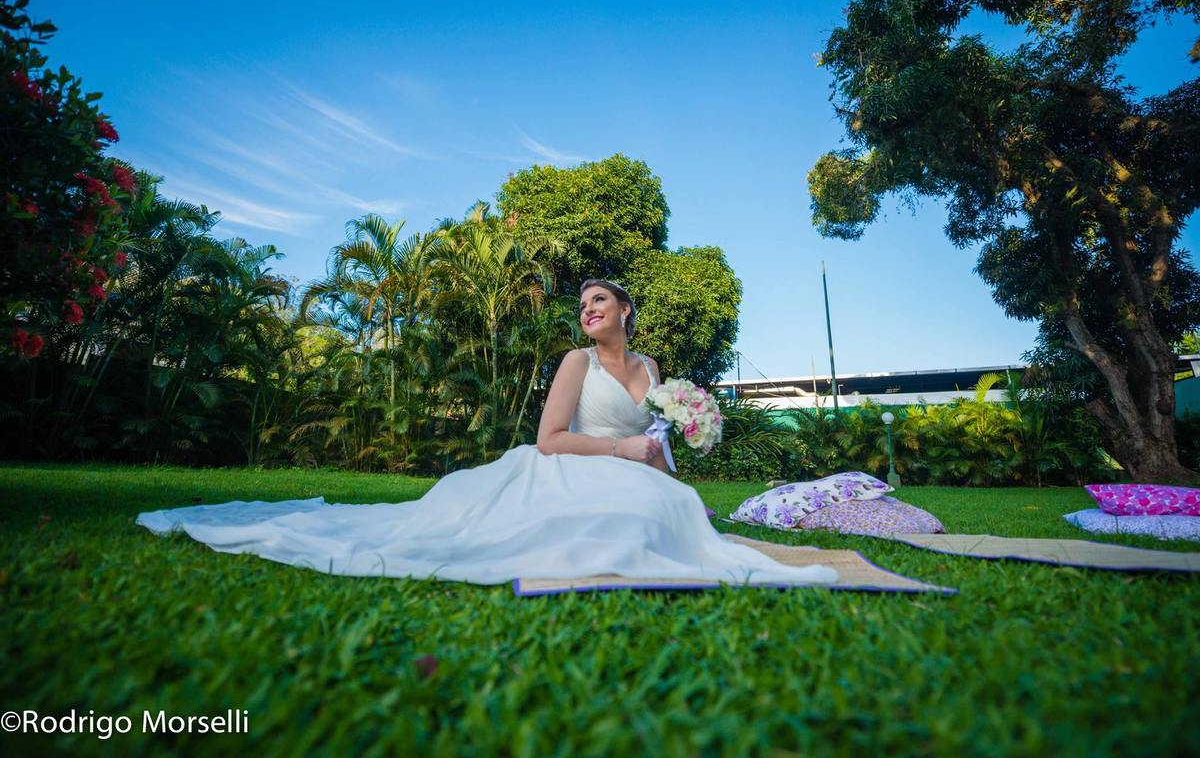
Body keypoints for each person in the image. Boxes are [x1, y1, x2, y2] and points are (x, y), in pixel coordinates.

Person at [136, 279, 838, 587]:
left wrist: (664, 447)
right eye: (583, 303)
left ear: (627, 309)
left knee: (674, 505)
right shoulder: (575, 362)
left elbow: (657, 436)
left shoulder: (654, 368)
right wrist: (624, 449)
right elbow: (550, 439)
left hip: (634, 469)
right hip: (571, 465)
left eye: (601, 300)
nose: (589, 309)